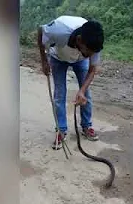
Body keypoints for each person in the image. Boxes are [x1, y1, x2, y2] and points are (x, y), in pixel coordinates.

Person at [37, 15, 104, 150]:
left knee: (86, 95)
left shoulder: (94, 44)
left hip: (79, 61)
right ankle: (61, 130)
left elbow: (92, 69)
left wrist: (82, 91)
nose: (91, 56)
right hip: (58, 57)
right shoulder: (59, 30)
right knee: (59, 94)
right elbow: (40, 32)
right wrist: (44, 61)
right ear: (79, 40)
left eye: (92, 53)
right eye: (88, 52)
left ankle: (86, 126)